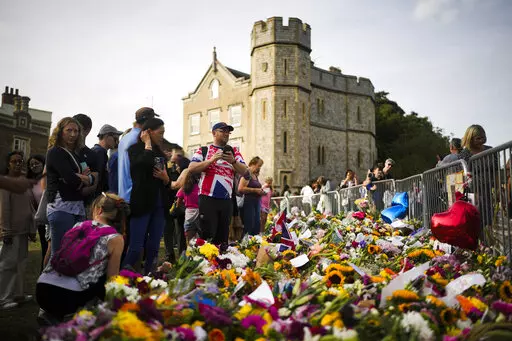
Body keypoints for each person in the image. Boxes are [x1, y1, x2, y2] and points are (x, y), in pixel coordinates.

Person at [36, 193, 128, 321]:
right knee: (103, 273)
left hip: (42, 289)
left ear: (99, 210)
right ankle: (89, 313)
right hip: (69, 296)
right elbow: (112, 278)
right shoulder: (115, 238)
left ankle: (48, 314)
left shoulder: (78, 226)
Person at [123, 118, 170, 274]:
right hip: (142, 203)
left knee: (154, 246)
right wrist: (147, 144)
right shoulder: (134, 149)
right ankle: (121, 277)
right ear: (148, 132)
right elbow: (140, 167)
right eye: (160, 132)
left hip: (159, 204)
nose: (162, 136)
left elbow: (166, 180)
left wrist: (166, 179)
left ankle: (150, 276)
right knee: (136, 246)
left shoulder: (160, 152)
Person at [189, 122, 248, 245]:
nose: (226, 134)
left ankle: (220, 262)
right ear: (214, 133)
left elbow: (246, 172)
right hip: (207, 198)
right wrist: (211, 160)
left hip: (226, 201)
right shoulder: (204, 150)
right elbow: (192, 168)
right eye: (223, 131)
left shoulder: (234, 152)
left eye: (228, 132)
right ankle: (205, 262)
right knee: (207, 236)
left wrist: (233, 162)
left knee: (222, 239)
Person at [46, 117, 97, 256]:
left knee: (73, 254)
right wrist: (81, 177)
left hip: (78, 208)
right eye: (69, 130)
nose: (73, 134)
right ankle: (47, 279)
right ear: (60, 132)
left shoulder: (77, 155)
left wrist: (81, 177)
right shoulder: (55, 152)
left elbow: (91, 179)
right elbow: (71, 179)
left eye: (76, 131)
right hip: (61, 207)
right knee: (59, 255)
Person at [0, 151, 36, 310]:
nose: (18, 164)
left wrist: (31, 228)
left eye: (20, 161)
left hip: (23, 230)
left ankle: (18, 294)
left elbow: (29, 206)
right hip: (11, 232)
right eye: (14, 161)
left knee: (21, 264)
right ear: (9, 164)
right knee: (8, 265)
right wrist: (5, 231)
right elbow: (3, 208)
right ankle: (3, 299)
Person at [118, 107, 159, 203]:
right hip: (135, 195)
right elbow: (144, 164)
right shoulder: (140, 139)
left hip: (123, 194)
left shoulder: (125, 138)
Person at [26, 154, 48, 271]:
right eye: (31, 165)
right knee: (45, 247)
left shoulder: (48, 177)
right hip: (40, 218)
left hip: (51, 215)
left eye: (36, 163)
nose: (34, 166)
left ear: (43, 163)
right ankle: (43, 272)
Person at [90, 124, 122, 197]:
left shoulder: (95, 150)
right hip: (94, 196)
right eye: (115, 139)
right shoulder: (100, 152)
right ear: (107, 136)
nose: (117, 142)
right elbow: (99, 178)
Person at [238, 157, 265, 236]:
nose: (259, 168)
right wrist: (255, 190)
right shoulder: (247, 173)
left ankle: (254, 243)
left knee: (256, 225)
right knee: (249, 224)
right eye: (258, 166)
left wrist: (261, 191)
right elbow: (241, 188)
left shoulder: (255, 175)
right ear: (253, 164)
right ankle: (246, 243)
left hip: (256, 203)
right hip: (248, 203)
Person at [175, 170, 200, 243]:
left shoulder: (184, 188)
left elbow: (177, 204)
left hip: (188, 215)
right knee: (200, 241)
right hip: (199, 214)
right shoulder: (200, 187)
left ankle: (190, 253)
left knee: (190, 241)